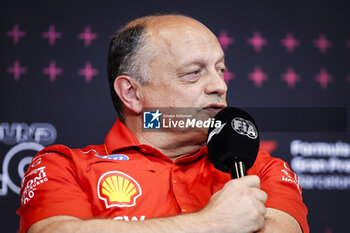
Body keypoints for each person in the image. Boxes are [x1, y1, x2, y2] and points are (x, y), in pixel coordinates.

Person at [17, 14, 309, 233]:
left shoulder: (259, 167)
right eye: (194, 73)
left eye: (221, 70)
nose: (219, 85)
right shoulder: (63, 166)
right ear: (132, 93)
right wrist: (209, 223)